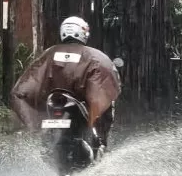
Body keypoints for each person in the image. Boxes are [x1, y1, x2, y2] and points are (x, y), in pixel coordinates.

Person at [10, 16, 121, 151]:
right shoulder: (95, 56)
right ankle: (101, 142)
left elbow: (28, 84)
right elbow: (106, 85)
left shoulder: (48, 54)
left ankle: (92, 141)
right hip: (74, 106)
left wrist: (34, 125)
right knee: (108, 103)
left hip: (55, 103)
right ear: (83, 33)